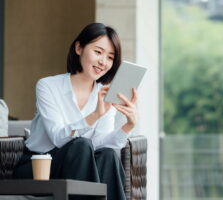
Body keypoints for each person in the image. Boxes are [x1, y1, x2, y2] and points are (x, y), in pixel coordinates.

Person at [14, 23, 138, 200]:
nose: (103, 62)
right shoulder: (48, 86)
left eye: (110, 57)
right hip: (39, 168)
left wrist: (128, 126)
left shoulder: (103, 94)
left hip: (79, 167)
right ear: (79, 48)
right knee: (81, 145)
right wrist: (94, 115)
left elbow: (100, 144)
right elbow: (58, 138)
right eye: (98, 52)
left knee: (108, 155)